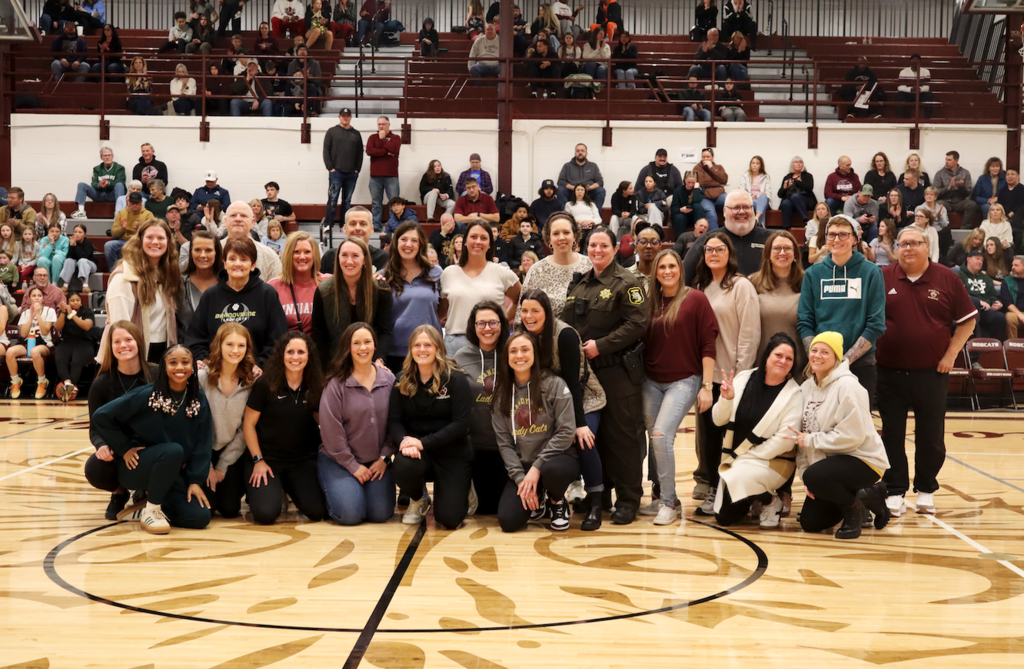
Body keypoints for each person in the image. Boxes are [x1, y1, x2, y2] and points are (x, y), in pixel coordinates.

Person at [878, 226, 977, 517]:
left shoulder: (947, 277)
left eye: (914, 243)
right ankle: (895, 490)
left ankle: (926, 489)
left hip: (931, 373)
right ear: (896, 249)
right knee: (891, 435)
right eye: (902, 243)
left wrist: (951, 354)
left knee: (931, 436)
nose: (908, 248)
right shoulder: (882, 277)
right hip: (889, 373)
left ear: (927, 246)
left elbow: (968, 322)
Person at [561, 226, 647, 524]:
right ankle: (603, 493)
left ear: (614, 249)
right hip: (587, 376)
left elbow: (638, 323)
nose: (597, 250)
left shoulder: (628, 282)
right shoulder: (580, 283)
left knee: (623, 438)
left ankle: (628, 500)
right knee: (595, 439)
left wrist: (602, 346)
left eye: (603, 246)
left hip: (617, 371)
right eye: (592, 246)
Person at [91, 345, 213, 533]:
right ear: (164, 366)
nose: (179, 367)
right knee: (173, 450)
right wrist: (124, 448)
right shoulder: (148, 394)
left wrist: (195, 481)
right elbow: (101, 416)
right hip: (140, 467)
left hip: (173, 473)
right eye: (173, 362)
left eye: (185, 362)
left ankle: (149, 505)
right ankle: (152, 511)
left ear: (193, 367)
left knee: (200, 517)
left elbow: (202, 443)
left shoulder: (198, 399)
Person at [641, 248, 717, 524]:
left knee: (661, 436)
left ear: (680, 269)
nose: (667, 271)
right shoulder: (650, 301)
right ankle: (663, 497)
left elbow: (709, 344)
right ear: (655, 272)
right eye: (662, 267)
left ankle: (670, 503)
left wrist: (706, 386)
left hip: (685, 379)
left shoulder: (695, 299)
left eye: (672, 266)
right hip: (651, 381)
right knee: (657, 440)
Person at [791, 332, 891, 540]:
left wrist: (811, 443)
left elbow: (852, 436)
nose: (818, 356)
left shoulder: (848, 386)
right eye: (814, 350)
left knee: (816, 476)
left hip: (862, 460)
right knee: (811, 523)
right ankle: (867, 497)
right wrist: (807, 476)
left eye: (825, 352)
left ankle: (853, 512)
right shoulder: (807, 387)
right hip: (829, 465)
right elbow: (800, 435)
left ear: (836, 357)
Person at [691, 232, 761, 513]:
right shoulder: (699, 286)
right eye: (709, 249)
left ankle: (731, 489)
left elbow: (750, 333)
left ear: (729, 254)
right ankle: (710, 487)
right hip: (706, 376)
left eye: (720, 249)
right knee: (708, 433)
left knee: (731, 436)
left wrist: (741, 374)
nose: (714, 253)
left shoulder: (741, 286)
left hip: (732, 377)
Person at [488, 331, 579, 532]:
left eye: (524, 349)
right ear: (506, 357)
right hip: (524, 467)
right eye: (513, 351)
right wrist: (521, 478)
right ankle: (537, 497)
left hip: (557, 460)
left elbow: (566, 431)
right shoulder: (502, 393)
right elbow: (504, 444)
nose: (519, 355)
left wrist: (536, 468)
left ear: (534, 354)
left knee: (554, 471)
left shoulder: (555, 384)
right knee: (508, 521)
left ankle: (557, 501)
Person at [711, 333, 803, 528]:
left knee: (737, 478)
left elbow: (785, 440)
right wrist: (726, 399)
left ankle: (770, 501)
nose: (783, 361)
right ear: (767, 356)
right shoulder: (744, 378)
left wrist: (747, 457)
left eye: (789, 358)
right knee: (725, 517)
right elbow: (718, 420)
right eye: (778, 355)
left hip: (773, 462)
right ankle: (756, 498)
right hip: (736, 460)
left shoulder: (794, 393)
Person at [389, 324, 473, 528]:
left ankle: (464, 487)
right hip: (419, 454)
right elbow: (394, 421)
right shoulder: (402, 380)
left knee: (449, 519)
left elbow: (461, 425)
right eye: (417, 345)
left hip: (452, 453)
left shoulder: (456, 379)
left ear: (438, 348)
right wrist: (404, 443)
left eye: (428, 344)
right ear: (410, 349)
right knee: (402, 464)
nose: (422, 349)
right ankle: (419, 499)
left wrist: (422, 443)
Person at [244, 332, 328, 524]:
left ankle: (289, 487)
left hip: (301, 461)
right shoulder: (265, 384)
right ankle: (275, 489)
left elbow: (323, 421)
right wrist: (258, 460)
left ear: (309, 356)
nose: (295, 357)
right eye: (290, 352)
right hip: (267, 460)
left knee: (318, 512)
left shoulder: (315, 386)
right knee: (266, 514)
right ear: (282, 354)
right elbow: (248, 424)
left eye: (301, 352)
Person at [317, 323, 396, 525]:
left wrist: (385, 458)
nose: (363, 348)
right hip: (339, 461)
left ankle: (357, 492)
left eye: (367, 342)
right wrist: (352, 466)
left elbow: (396, 422)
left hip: (376, 462)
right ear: (348, 348)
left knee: (380, 514)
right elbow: (331, 430)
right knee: (351, 515)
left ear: (375, 346)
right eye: (356, 343)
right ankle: (335, 492)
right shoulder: (336, 383)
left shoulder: (389, 379)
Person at [798, 216, 886, 397]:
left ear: (855, 239)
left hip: (860, 364)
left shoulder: (871, 272)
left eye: (843, 235)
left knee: (856, 424)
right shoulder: (812, 274)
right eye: (832, 235)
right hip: (822, 365)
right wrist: (819, 357)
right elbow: (805, 321)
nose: (836, 240)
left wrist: (843, 362)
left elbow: (876, 324)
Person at [84, 322, 157, 518]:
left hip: (150, 446)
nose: (123, 345)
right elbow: (95, 428)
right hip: (118, 448)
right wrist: (101, 445)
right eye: (117, 341)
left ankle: (148, 490)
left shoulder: (157, 375)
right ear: (110, 347)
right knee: (94, 468)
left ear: (138, 342)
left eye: (128, 340)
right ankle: (119, 492)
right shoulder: (101, 384)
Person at [186, 236, 288, 367]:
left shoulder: (267, 294)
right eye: (232, 259)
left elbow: (278, 339)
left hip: (257, 374)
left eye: (244, 259)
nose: (237, 263)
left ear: (253, 265)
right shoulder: (210, 295)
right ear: (225, 264)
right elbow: (195, 338)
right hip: (216, 373)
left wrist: (260, 366)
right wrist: (207, 362)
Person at [453, 302, 511, 516]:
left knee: (502, 511)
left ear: (501, 324)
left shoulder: (513, 352)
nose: (487, 328)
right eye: (481, 323)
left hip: (507, 447)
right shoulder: (460, 358)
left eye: (493, 322)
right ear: (473, 326)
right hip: (474, 448)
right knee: (484, 510)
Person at [197, 322, 254, 519]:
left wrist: (223, 465)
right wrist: (208, 466)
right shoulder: (202, 377)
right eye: (230, 344)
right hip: (204, 451)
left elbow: (246, 429)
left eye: (241, 345)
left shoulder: (250, 382)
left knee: (230, 509)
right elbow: (195, 425)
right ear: (219, 345)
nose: (235, 350)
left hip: (232, 452)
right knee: (208, 510)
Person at [103, 219, 180, 364]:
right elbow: (120, 331)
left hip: (162, 349)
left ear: (168, 243)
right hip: (132, 356)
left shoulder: (166, 275)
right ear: (140, 241)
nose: (155, 242)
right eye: (149, 237)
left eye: (161, 238)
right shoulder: (123, 278)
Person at [440, 221, 521, 354]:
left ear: (490, 244)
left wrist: (501, 321)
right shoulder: (448, 273)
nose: (478, 241)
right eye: (473, 237)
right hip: (455, 343)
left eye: (483, 238)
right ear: (465, 241)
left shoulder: (503, 273)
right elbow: (442, 311)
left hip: (492, 341)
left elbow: (520, 300)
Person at [312, 236, 393, 365]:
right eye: (344, 255)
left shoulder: (380, 289)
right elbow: (319, 336)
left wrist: (379, 360)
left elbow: (384, 331)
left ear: (365, 260)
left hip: (370, 363)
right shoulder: (323, 290)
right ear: (338, 259)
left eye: (355, 255)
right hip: (335, 364)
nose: (349, 261)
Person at [682, 189, 772, 285]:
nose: (741, 212)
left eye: (746, 207)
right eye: (736, 207)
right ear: (724, 211)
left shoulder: (771, 240)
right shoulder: (706, 241)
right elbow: (684, 280)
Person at [751, 231, 806, 377]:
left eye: (787, 248)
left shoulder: (808, 283)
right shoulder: (752, 283)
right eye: (776, 248)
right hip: (760, 370)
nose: (782, 252)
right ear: (768, 253)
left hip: (797, 372)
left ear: (795, 254)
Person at [180, 201, 281, 281]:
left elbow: (278, 291)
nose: (238, 219)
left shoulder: (269, 255)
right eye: (233, 216)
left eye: (243, 216)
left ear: (252, 222)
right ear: (226, 221)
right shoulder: (210, 252)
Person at [519, 213, 592, 322]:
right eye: (556, 233)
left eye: (566, 232)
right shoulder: (537, 270)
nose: (561, 237)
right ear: (549, 239)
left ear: (574, 237)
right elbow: (522, 313)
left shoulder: (590, 266)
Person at [4, 286, 58, 399]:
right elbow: (23, 334)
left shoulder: (50, 311)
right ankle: (15, 382)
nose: (37, 298)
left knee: (34, 351)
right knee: (10, 352)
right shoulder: (25, 313)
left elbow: (44, 330)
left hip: (45, 344)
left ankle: (42, 382)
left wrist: (38, 314)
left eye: (39, 296)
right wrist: (31, 316)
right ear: (29, 299)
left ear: (43, 298)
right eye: (34, 296)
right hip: (28, 342)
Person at [267, 231, 321, 335]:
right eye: (296, 252)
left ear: (315, 255)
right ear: (288, 255)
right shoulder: (273, 287)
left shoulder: (326, 283)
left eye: (307, 252)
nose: (302, 257)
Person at [323, 108, 363, 232]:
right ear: (339, 117)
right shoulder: (332, 132)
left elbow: (360, 153)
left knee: (347, 201)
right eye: (343, 116)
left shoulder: (356, 134)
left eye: (347, 116)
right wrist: (331, 168)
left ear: (350, 117)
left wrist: (357, 169)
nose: (345, 118)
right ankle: (328, 224)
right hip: (336, 173)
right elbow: (326, 150)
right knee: (333, 199)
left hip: (351, 173)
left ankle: (343, 225)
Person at [177, 230, 222, 333]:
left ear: (216, 252)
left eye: (208, 250)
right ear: (191, 252)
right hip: (189, 346)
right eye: (197, 250)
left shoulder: (228, 282)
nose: (202, 255)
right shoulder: (179, 283)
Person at [959, 249, 1006, 340]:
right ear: (968, 259)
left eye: (982, 260)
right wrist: (979, 301)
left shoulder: (986, 278)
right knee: (975, 302)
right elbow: (959, 295)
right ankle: (973, 348)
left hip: (985, 309)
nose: (980, 262)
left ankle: (993, 346)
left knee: (999, 317)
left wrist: (997, 303)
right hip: (967, 310)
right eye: (977, 259)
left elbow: (992, 295)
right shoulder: (958, 276)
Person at [366, 116, 402, 232]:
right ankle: (376, 224)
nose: (381, 126)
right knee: (376, 202)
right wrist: (386, 152)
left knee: (394, 202)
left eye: (383, 124)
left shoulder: (395, 138)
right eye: (379, 124)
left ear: (389, 124)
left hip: (391, 176)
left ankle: (393, 225)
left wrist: (383, 140)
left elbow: (394, 149)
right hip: (375, 176)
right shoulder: (372, 137)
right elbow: (370, 151)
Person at [73, 147, 127, 218]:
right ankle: (81, 211)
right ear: (101, 157)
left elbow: (121, 181)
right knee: (81, 185)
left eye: (109, 155)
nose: (107, 157)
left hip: (112, 195)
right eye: (105, 155)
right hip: (99, 194)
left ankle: (119, 212)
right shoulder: (97, 169)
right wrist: (99, 184)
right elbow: (94, 183)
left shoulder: (119, 168)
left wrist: (108, 183)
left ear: (112, 157)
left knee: (120, 185)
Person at [934, 150, 979, 230]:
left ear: (956, 161)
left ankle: (964, 230)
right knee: (938, 204)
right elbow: (935, 193)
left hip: (960, 202)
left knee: (971, 204)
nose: (946, 162)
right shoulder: (940, 173)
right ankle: (943, 229)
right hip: (945, 201)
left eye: (949, 160)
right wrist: (949, 187)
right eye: (946, 159)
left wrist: (961, 188)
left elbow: (969, 192)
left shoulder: (965, 173)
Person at [557, 144, 606, 209]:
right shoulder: (567, 166)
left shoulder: (593, 166)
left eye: (582, 151)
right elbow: (560, 181)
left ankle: (595, 215)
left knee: (601, 191)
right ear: (575, 153)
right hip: (572, 192)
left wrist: (591, 187)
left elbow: (600, 182)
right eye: (578, 151)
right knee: (560, 190)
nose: (580, 152)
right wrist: (573, 188)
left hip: (588, 192)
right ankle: (565, 215)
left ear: (586, 153)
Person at [777, 156, 816, 228]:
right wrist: (785, 187)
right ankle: (786, 228)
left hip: (805, 200)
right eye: (796, 162)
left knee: (795, 196)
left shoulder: (807, 176)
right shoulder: (787, 177)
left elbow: (809, 188)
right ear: (792, 165)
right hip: (790, 201)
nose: (798, 164)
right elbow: (780, 194)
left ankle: (805, 221)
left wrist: (797, 182)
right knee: (785, 203)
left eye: (800, 162)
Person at [695, 148, 729, 229]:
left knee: (731, 203)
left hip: (720, 196)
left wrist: (711, 168)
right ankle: (713, 236)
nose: (705, 159)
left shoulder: (719, 167)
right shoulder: (697, 168)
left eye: (708, 157)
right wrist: (718, 182)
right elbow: (702, 182)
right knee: (710, 212)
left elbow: (724, 180)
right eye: (704, 157)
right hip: (705, 197)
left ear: (712, 158)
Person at [59, 223, 96, 293]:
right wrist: (71, 246)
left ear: (84, 234)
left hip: (89, 265)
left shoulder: (88, 243)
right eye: (75, 232)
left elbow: (84, 256)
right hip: (76, 265)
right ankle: (65, 285)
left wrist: (75, 246)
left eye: (80, 232)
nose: (77, 234)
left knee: (82, 261)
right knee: (69, 260)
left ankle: (85, 285)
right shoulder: (71, 242)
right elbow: (69, 256)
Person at [918, 185, 952, 259]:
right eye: (927, 194)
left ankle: (944, 257)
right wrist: (935, 215)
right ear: (924, 196)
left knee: (947, 230)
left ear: (935, 197)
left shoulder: (942, 208)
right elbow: (922, 223)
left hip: (939, 230)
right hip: (926, 231)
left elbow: (944, 224)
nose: (929, 196)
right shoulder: (920, 208)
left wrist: (939, 215)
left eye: (931, 195)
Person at [737, 156, 772, 227]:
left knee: (762, 197)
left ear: (760, 166)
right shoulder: (745, 176)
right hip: (750, 200)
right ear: (750, 164)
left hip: (763, 200)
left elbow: (768, 192)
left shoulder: (765, 177)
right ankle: (760, 225)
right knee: (757, 204)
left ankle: (756, 218)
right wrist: (752, 196)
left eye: (757, 163)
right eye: (753, 163)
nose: (755, 165)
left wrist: (759, 196)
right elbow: (742, 191)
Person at [896, 54, 934, 119]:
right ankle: (902, 120)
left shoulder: (926, 71)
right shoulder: (903, 72)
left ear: (920, 61)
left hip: (921, 94)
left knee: (929, 95)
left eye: (917, 59)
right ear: (910, 61)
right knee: (900, 95)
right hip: (908, 94)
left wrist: (919, 89)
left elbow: (927, 87)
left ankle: (927, 119)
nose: (915, 61)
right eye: (913, 59)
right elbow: (900, 87)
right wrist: (910, 89)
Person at [1000, 256, 1024, 339]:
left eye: (1016, 265)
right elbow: (1008, 302)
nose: (1013, 268)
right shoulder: (1007, 281)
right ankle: (1013, 348)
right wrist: (1020, 315)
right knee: (1010, 317)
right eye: (1012, 265)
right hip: (1016, 313)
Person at [998, 168, 1024, 233]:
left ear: (1018, 176)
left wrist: (1008, 216)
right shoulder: (1002, 191)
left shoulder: (1022, 189)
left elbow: (1020, 205)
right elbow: (1000, 204)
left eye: (1012, 174)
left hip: (1018, 217)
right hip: (1004, 216)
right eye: (1008, 174)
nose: (1010, 176)